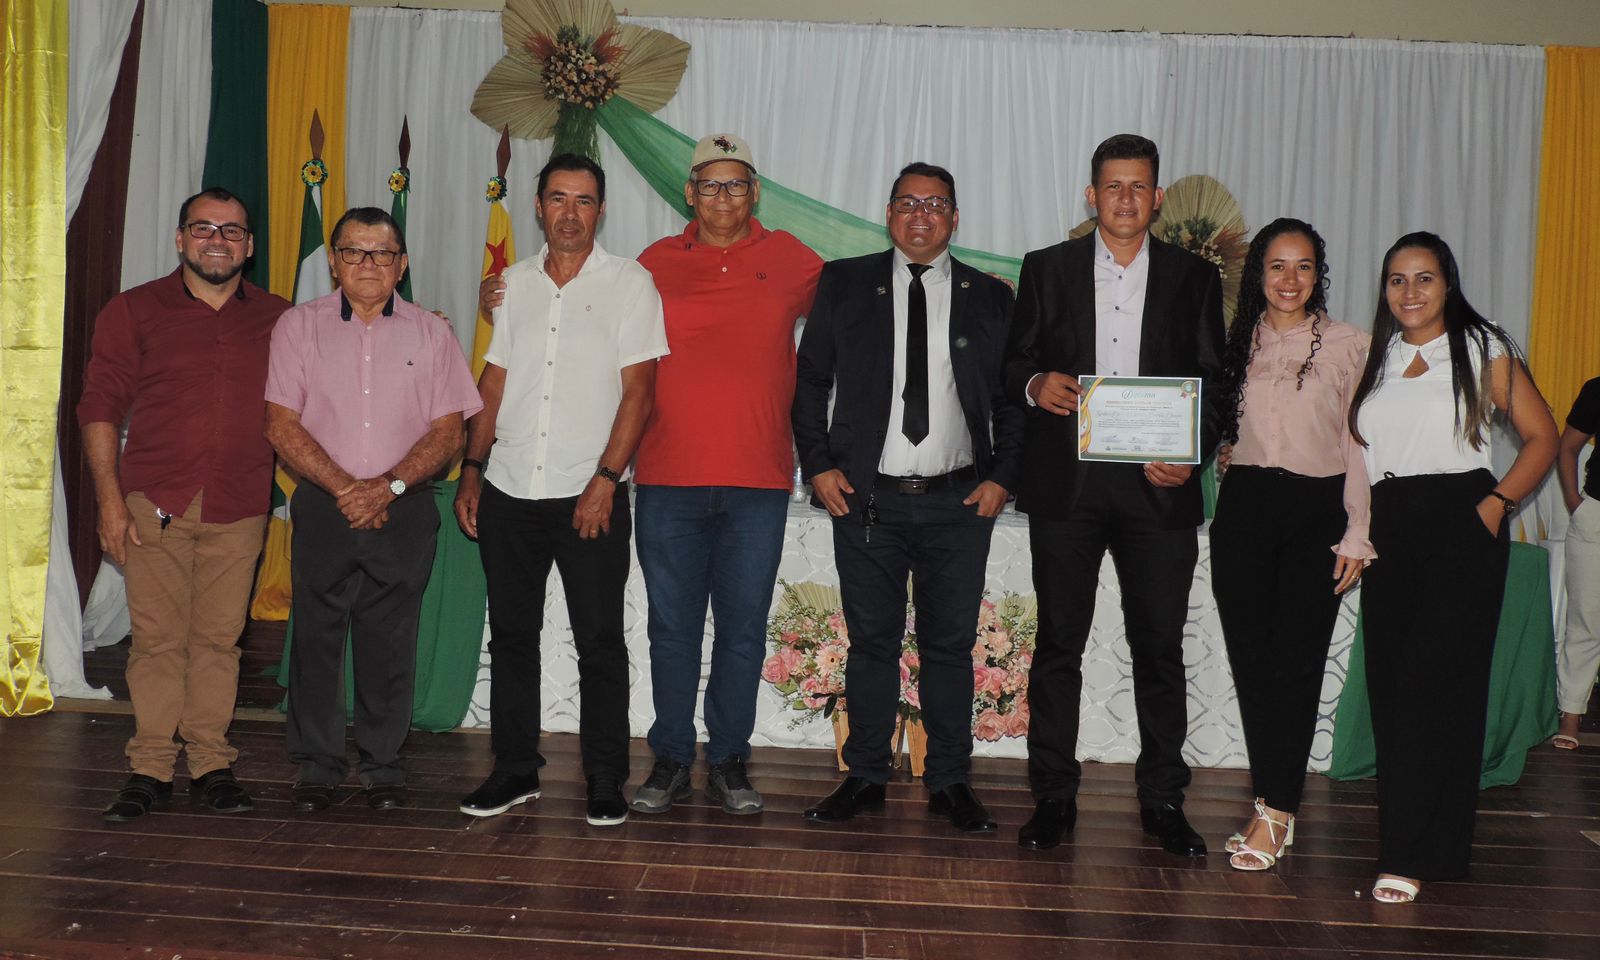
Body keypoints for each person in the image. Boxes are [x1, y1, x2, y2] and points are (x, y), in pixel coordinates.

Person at [478, 136, 821, 817]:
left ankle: (729, 758)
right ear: (688, 194)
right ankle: (669, 757)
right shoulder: (651, 266)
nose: (722, 196)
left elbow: (866, 299)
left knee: (743, 629)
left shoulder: (793, 259)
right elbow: (573, 315)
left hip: (758, 479)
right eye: (709, 184)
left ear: (755, 193)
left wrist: (985, 282)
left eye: (736, 184)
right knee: (672, 629)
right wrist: (497, 295)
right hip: (666, 477)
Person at [1002, 133, 1225, 856]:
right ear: (1091, 195)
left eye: (1138, 187)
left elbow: (1214, 382)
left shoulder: (1194, 277)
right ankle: (1053, 796)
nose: (1125, 199)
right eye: (1113, 186)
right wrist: (1036, 385)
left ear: (1156, 198)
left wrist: (1189, 455)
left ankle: (1163, 798)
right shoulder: (1047, 267)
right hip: (1068, 486)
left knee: (1159, 646)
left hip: (1159, 489)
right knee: (1058, 645)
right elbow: (1014, 363)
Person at [792, 162, 1021, 831]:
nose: (921, 215)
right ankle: (865, 774)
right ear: (889, 213)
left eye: (936, 204)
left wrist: (1003, 476)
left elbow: (1012, 398)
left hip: (958, 502)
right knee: (872, 644)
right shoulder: (844, 282)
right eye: (908, 202)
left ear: (955, 218)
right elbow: (809, 382)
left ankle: (949, 780)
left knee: (949, 647)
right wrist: (819, 466)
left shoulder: (989, 296)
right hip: (867, 500)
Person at [454, 154, 667, 827]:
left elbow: (640, 392)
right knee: (511, 638)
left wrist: (606, 479)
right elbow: (493, 383)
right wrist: (471, 467)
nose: (569, 213)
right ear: (538, 205)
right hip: (510, 486)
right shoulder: (511, 286)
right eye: (557, 198)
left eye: (583, 200)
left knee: (599, 640)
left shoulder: (630, 283)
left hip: (588, 492)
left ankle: (605, 778)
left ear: (600, 210)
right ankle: (514, 768)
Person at [1348, 231, 1557, 903]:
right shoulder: (1375, 358)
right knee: (1393, 691)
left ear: (1448, 284)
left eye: (1424, 278)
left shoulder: (1481, 347)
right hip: (1389, 529)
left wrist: (1496, 506)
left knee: (1436, 690)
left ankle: (1408, 855)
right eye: (1397, 279)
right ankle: (1419, 846)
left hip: (1460, 523)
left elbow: (1543, 436)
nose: (1409, 291)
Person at [79, 188, 289, 822]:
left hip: (240, 502)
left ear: (249, 246)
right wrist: (109, 501)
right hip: (156, 503)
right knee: (157, 642)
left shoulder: (280, 318)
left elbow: (341, 362)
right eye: (203, 228)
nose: (217, 240)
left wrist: (424, 322)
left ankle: (211, 763)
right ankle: (149, 768)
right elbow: (99, 407)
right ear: (180, 239)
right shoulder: (134, 309)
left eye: (231, 231)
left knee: (219, 641)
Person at [264, 207, 482, 813]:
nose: (367, 263)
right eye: (353, 251)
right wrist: (347, 489)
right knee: (316, 635)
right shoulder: (297, 327)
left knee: (390, 638)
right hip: (323, 502)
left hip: (403, 505)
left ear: (401, 264)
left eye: (381, 253)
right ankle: (318, 764)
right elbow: (280, 424)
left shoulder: (432, 333)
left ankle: (384, 763)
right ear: (334, 261)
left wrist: (386, 488)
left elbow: (449, 433)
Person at [1208, 218, 1373, 871]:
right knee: (1252, 665)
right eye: (1277, 265)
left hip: (1316, 510)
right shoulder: (1235, 343)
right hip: (1245, 508)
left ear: (1318, 275)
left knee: (1297, 666)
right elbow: (1222, 429)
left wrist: (1358, 530)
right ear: (1259, 273)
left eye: (1303, 266)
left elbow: (1359, 445)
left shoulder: (1351, 344)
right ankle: (1270, 804)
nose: (1290, 279)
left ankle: (1277, 812)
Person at [1554, 377, 1600, 750]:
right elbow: (1567, 447)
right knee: (1586, 619)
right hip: (1596, 515)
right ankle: (1570, 712)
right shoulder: (1598, 389)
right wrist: (1574, 502)